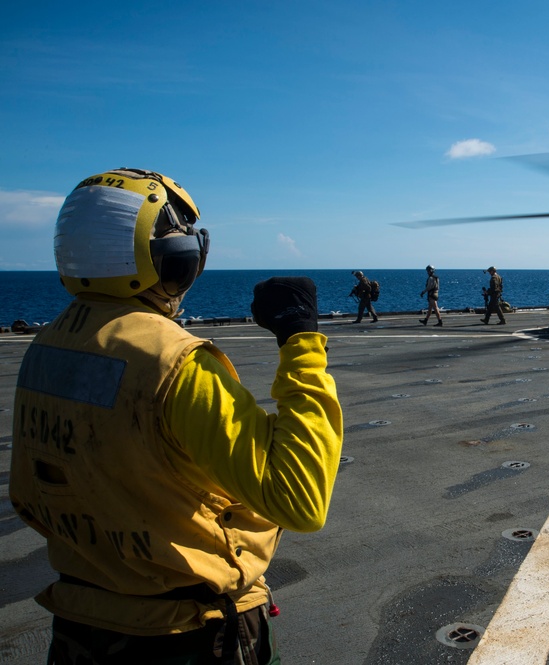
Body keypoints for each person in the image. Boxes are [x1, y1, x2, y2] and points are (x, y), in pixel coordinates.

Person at [9, 168, 344, 664]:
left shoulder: (48, 346)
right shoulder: (175, 362)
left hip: (82, 621)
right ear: (173, 262)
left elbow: (28, 497)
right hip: (186, 634)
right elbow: (299, 501)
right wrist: (301, 342)